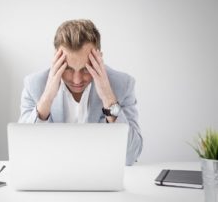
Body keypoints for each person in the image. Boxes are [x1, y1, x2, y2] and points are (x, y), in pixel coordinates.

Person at [19, 19, 142, 165]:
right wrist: (47, 98)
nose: (77, 80)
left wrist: (109, 100)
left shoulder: (122, 85)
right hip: (53, 176)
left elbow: (130, 155)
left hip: (100, 176)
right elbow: (24, 152)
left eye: (85, 69)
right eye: (69, 69)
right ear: (56, 59)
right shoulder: (34, 85)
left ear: (98, 59)